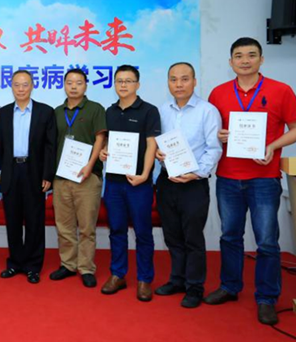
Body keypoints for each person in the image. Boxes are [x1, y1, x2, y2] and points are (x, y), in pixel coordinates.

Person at [205, 37, 296, 325]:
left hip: (264, 179)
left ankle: (267, 297)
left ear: (261, 59)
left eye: (251, 55)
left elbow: (295, 128)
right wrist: (218, 135)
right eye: (239, 56)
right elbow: (211, 131)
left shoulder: (281, 90)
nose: (245, 60)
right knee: (230, 236)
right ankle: (230, 286)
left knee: (267, 241)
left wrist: (272, 146)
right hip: (228, 177)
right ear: (230, 61)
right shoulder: (219, 93)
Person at [154, 62, 222, 308]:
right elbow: (156, 143)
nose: (179, 84)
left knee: (192, 237)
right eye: (173, 79)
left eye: (184, 79)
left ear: (194, 81)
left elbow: (214, 148)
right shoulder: (163, 110)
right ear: (168, 83)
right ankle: (177, 280)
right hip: (167, 180)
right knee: (172, 235)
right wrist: (157, 153)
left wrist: (197, 173)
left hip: (194, 183)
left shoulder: (207, 111)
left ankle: (194, 287)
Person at [99, 64, 160, 302]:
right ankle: (118, 274)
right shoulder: (110, 111)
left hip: (139, 183)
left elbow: (152, 145)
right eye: (119, 81)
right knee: (116, 230)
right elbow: (108, 142)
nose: (123, 85)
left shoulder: (149, 111)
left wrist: (145, 174)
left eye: (128, 81)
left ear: (138, 84)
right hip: (114, 182)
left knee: (143, 232)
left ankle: (144, 279)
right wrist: (104, 151)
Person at [0, 70, 56, 284]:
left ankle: (33, 265)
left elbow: (50, 147)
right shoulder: (3, 113)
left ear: (32, 86)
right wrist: (0, 171)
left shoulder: (45, 112)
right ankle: (15, 263)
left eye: (25, 84)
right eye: (17, 85)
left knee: (34, 220)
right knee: (12, 220)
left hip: (34, 171)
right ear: (11, 87)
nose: (21, 89)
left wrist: (47, 174)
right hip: (11, 171)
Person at [49, 68, 106, 288]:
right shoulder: (57, 111)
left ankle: (86, 267)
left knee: (86, 226)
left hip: (87, 177)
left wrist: (90, 165)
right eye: (69, 83)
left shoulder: (95, 109)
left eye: (79, 83)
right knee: (64, 225)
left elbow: (100, 138)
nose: (74, 87)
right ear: (64, 85)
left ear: (86, 85)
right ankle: (68, 264)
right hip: (61, 177)